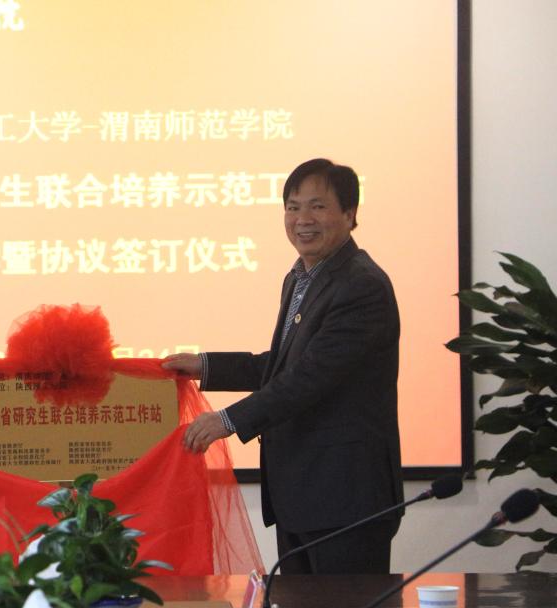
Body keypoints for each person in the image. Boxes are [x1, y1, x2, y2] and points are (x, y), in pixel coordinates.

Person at [163, 158, 403, 574]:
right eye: (292, 207)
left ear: (350, 214)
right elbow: (282, 366)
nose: (302, 219)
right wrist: (203, 366)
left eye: (317, 206)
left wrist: (228, 421)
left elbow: (310, 378)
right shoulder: (301, 278)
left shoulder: (360, 285)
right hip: (302, 494)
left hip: (345, 495)